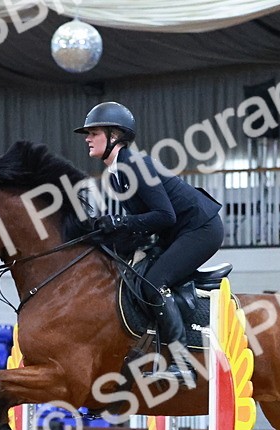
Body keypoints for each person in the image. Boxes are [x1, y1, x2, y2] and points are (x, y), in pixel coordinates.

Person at [76, 101, 223, 386]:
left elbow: (164, 216)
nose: (87, 138)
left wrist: (118, 223)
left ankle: (183, 365)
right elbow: (143, 221)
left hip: (200, 228)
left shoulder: (135, 165)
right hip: (178, 232)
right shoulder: (117, 172)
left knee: (152, 282)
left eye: (93, 133)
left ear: (114, 136)